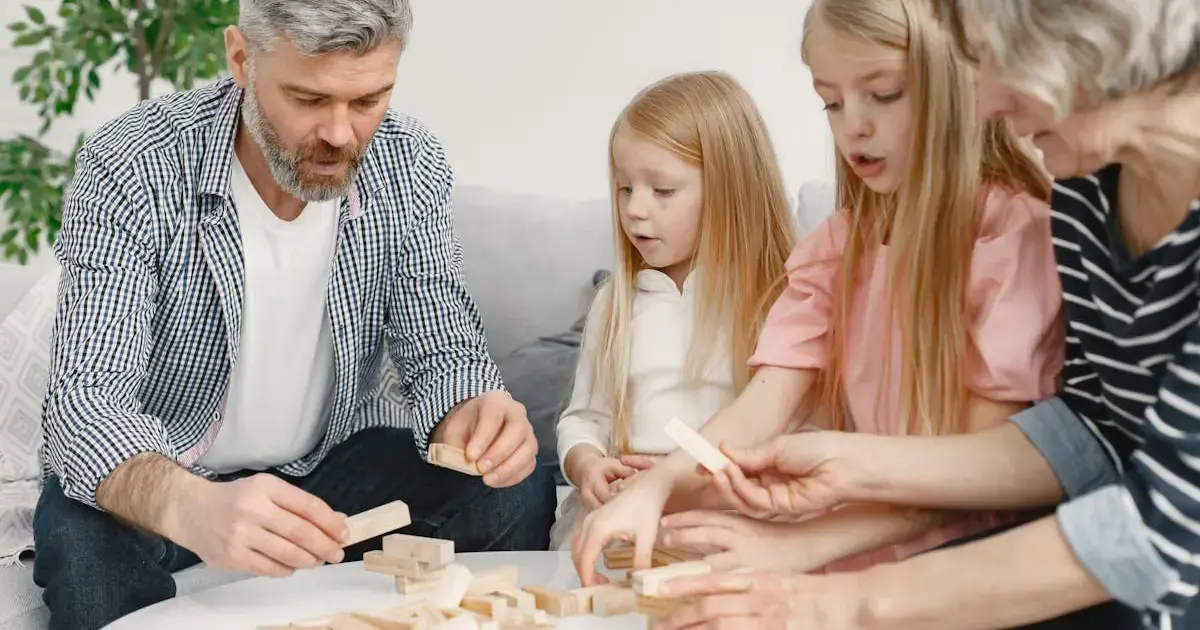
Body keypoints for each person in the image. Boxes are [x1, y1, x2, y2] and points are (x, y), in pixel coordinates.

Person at [647, 1, 1200, 629]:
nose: (984, 99)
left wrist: (840, 603)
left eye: (1000, 58)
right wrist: (855, 466)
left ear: (1094, 41)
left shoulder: (1028, 221)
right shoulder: (1084, 198)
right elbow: (1089, 438)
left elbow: (1168, 523)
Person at [31, 1, 555, 628]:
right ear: (240, 59)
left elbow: (443, 347)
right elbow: (86, 401)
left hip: (329, 470)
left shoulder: (409, 163)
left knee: (513, 492)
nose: (340, 133)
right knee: (83, 558)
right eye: (308, 100)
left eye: (368, 101)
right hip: (172, 475)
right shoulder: (132, 162)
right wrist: (192, 507)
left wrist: (469, 415)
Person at [571, 0, 1063, 581]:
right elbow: (766, 403)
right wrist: (658, 486)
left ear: (960, 84)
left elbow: (980, 477)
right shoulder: (835, 249)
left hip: (970, 564)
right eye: (831, 101)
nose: (852, 124)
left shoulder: (1012, 235)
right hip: (851, 545)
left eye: (882, 94)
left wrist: (802, 544)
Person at [549, 71, 798, 550]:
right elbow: (583, 419)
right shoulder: (615, 304)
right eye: (624, 188)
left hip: (727, 512)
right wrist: (587, 465)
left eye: (662, 191)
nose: (635, 209)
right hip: (622, 514)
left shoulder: (780, 301)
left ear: (732, 192)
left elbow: (798, 435)